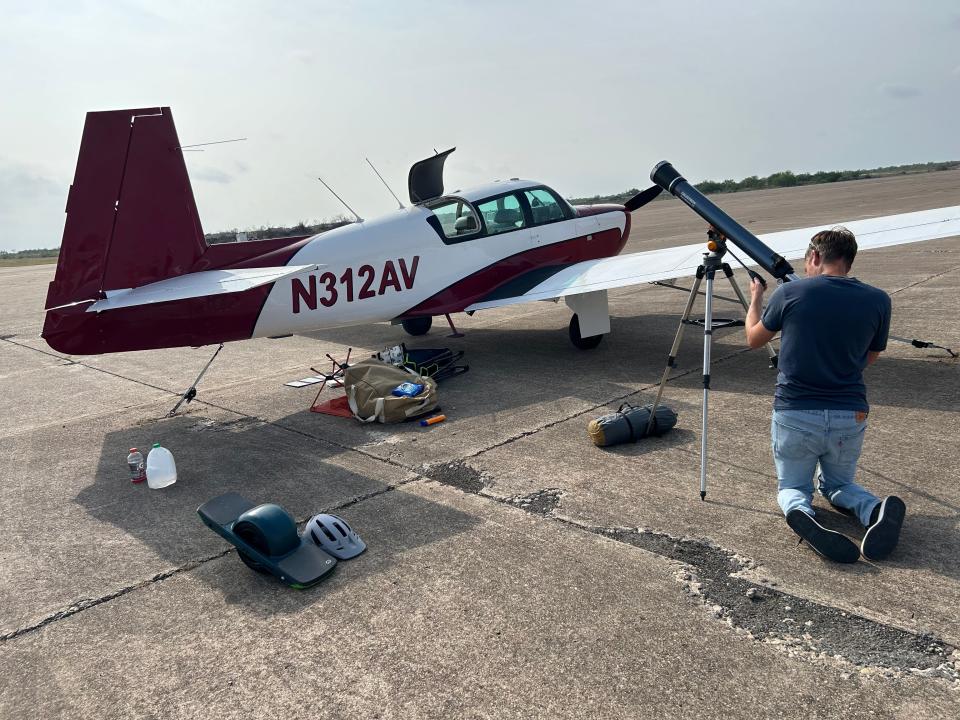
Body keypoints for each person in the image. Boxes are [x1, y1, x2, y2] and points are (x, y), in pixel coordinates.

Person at [744, 226, 905, 563]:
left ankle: (802, 513)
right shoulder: (878, 299)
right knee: (838, 485)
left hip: (796, 411)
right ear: (848, 259)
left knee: (793, 488)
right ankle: (874, 508)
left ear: (815, 256)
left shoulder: (791, 294)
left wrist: (757, 298)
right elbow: (871, 356)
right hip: (851, 413)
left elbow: (755, 339)